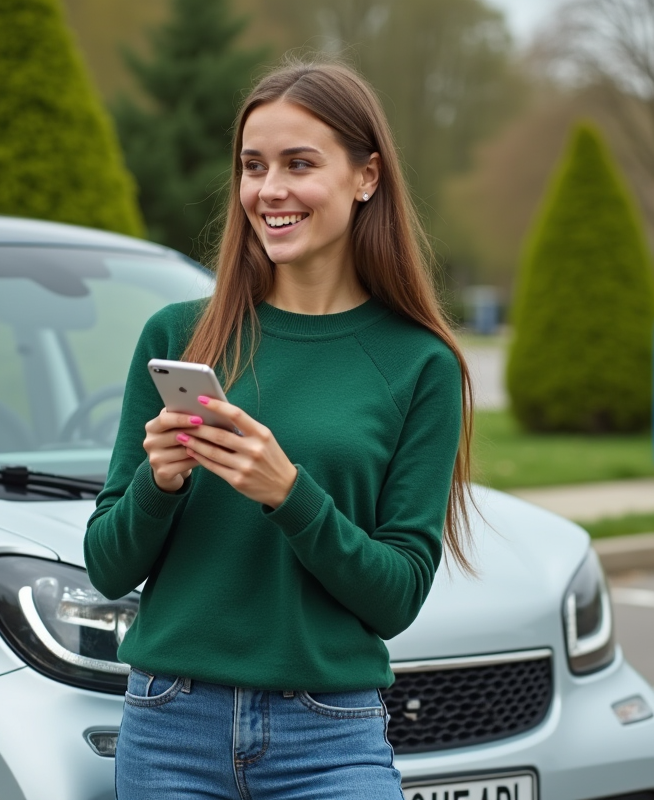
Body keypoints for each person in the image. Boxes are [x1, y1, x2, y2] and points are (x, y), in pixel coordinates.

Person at [83, 58, 476, 799]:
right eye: (253, 166)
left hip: (329, 733)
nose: (270, 191)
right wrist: (158, 482)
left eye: (300, 164)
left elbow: (395, 599)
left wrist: (290, 492)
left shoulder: (421, 364)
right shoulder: (178, 335)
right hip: (170, 724)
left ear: (366, 177)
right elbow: (107, 567)